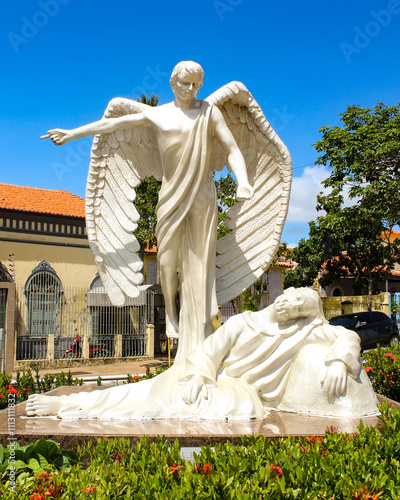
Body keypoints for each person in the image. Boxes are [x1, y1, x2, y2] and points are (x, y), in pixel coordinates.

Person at [43, 61, 253, 362]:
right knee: (167, 260)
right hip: (171, 196)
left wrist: (242, 181)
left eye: (195, 85)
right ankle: (171, 314)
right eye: (184, 84)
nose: (190, 90)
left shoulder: (210, 112)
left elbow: (232, 149)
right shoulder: (157, 114)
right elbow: (110, 125)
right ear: (172, 82)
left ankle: (206, 307)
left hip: (204, 195)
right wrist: (72, 133)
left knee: (201, 257)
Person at [27, 288, 378, 420]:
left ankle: (75, 407)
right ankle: (71, 405)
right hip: (210, 380)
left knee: (212, 407)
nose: (293, 302)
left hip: (239, 393)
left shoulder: (304, 330)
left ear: (304, 314)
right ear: (282, 293)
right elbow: (207, 354)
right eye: (295, 294)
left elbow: (346, 336)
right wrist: (197, 374)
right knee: (147, 393)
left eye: (302, 304)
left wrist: (338, 359)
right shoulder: (242, 322)